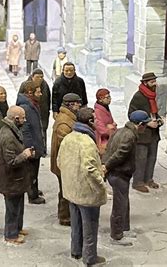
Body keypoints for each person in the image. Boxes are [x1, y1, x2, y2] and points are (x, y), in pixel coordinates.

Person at [57, 107, 107, 266]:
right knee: (90, 227)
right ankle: (90, 257)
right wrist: (101, 184)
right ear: (90, 122)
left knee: (76, 224)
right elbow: (90, 169)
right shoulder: (87, 142)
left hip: (71, 190)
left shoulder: (68, 138)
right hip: (87, 192)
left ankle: (76, 251)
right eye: (95, 119)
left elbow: (60, 162)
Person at [103, 110, 151, 246]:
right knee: (120, 205)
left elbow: (108, 149)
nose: (146, 128)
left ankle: (124, 228)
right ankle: (116, 236)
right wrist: (106, 166)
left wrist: (105, 164)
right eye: (145, 125)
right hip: (119, 174)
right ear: (140, 124)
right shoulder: (129, 136)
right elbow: (119, 155)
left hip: (119, 173)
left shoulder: (120, 131)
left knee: (124, 203)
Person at [0, 105, 35, 245]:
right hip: (10, 179)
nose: (24, 120)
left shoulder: (12, 130)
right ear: (16, 118)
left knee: (18, 206)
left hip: (17, 179)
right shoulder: (7, 136)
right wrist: (24, 155)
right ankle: (11, 235)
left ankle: (17, 228)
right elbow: (11, 162)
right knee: (12, 209)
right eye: (23, 118)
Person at [128, 72, 164, 193]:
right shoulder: (138, 96)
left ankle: (149, 178)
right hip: (143, 134)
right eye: (152, 82)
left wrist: (158, 119)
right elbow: (131, 115)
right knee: (141, 158)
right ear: (145, 83)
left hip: (154, 133)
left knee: (152, 157)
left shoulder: (152, 95)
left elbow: (152, 112)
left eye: (155, 81)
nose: (155, 84)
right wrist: (147, 122)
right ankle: (138, 182)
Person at [50, 93, 82, 226]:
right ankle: (64, 216)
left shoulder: (69, 118)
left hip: (64, 162)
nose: (79, 105)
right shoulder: (64, 122)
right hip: (63, 163)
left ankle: (66, 214)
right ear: (70, 105)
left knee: (66, 189)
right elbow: (66, 145)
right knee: (65, 190)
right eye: (77, 103)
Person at [16, 80, 45, 204]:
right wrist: (30, 147)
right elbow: (25, 130)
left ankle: (34, 189)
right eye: (38, 92)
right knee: (31, 171)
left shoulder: (32, 104)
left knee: (34, 170)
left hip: (35, 143)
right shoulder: (25, 108)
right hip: (31, 145)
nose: (41, 94)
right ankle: (32, 195)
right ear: (30, 93)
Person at [30, 69, 50, 155]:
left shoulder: (45, 85)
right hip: (31, 112)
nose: (40, 79)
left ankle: (43, 149)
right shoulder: (26, 85)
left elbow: (49, 99)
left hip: (43, 112)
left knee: (43, 130)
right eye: (37, 77)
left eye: (41, 77)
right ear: (32, 77)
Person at [94, 88, 117, 155]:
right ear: (100, 99)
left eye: (110, 97)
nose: (110, 99)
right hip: (102, 141)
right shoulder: (98, 111)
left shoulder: (105, 108)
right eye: (107, 97)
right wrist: (111, 127)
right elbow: (102, 130)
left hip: (108, 138)